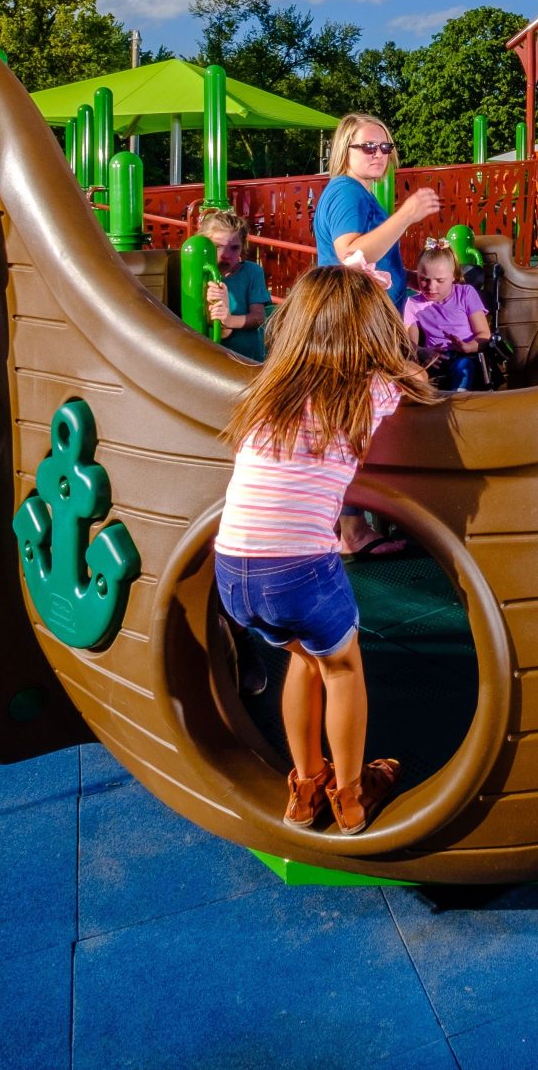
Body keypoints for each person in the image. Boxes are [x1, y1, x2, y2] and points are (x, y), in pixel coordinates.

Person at [216, 264, 437, 833]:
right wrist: (383, 303)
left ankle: (303, 790)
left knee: (303, 659)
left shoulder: (268, 391)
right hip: (300, 570)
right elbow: (413, 370)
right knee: (342, 669)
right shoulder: (369, 389)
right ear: (368, 331)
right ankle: (350, 797)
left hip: (233, 570)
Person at [313, 113, 438, 307]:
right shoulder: (347, 191)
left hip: (368, 315)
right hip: (359, 318)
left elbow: (368, 257)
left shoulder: (355, 191)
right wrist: (406, 215)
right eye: (368, 147)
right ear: (345, 150)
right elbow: (350, 255)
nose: (379, 154)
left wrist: (405, 276)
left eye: (385, 147)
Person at [403, 239, 494, 391]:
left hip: (464, 355)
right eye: (424, 279)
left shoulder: (465, 294)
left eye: (440, 280)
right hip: (434, 359)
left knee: (464, 367)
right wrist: (422, 352)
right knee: (416, 373)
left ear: (453, 276)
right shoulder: (413, 304)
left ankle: (458, 399)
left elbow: (484, 334)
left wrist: (468, 347)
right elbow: (410, 344)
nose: (431, 287)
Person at [197, 210, 273, 362]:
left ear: (242, 247)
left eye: (234, 248)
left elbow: (258, 317)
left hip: (248, 358)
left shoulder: (252, 272)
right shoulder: (197, 274)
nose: (226, 254)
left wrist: (228, 320)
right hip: (210, 358)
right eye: (217, 246)